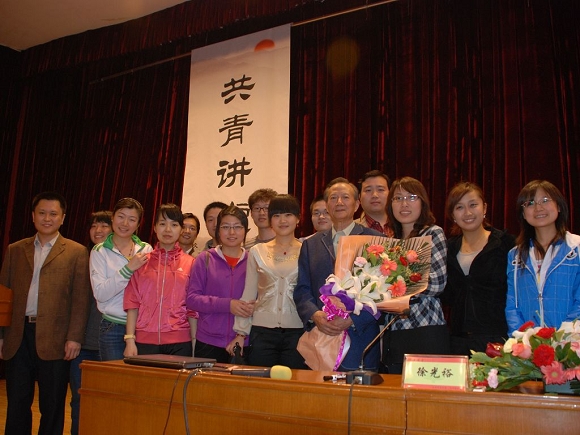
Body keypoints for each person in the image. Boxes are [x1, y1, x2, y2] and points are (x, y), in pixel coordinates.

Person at [0, 191, 91, 435]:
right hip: (18, 336)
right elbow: (3, 296)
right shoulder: (15, 249)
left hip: (56, 338)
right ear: (33, 216)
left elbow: (80, 299)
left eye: (53, 214)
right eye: (42, 213)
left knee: (52, 404)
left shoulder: (76, 252)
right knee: (17, 401)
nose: (47, 218)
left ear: (63, 218)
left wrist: (74, 337)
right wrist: (1, 335)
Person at [293, 177, 384, 371]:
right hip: (321, 339)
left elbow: (385, 292)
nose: (339, 202)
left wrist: (354, 319)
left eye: (345, 197)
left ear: (357, 204)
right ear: (327, 205)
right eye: (333, 198)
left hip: (361, 341)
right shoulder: (311, 244)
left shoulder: (375, 240)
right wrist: (315, 315)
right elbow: (302, 290)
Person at [228, 194, 306, 368]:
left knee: (294, 382)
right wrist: (241, 332)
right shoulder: (257, 251)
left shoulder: (307, 250)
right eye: (276, 215)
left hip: (297, 332)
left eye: (288, 214)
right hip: (262, 332)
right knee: (261, 381)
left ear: (298, 218)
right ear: (270, 220)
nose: (282, 220)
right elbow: (249, 293)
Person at [382, 176, 449, 374]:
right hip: (394, 329)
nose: (404, 204)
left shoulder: (432, 233)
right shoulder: (388, 242)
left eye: (411, 197)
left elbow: (436, 283)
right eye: (398, 198)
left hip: (425, 327)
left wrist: (394, 284)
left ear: (422, 202)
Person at [442, 182, 515, 356]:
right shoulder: (447, 249)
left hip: (498, 341)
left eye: (473, 205)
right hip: (458, 342)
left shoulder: (506, 244)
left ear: (485, 208)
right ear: (452, 215)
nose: (467, 212)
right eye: (459, 207)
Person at [506, 180, 580, 332]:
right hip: (529, 342)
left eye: (545, 200)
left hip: (571, 340)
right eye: (530, 203)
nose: (538, 208)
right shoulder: (515, 255)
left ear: (558, 206)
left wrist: (563, 337)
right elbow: (513, 304)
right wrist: (522, 338)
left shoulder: (576, 247)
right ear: (523, 214)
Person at [123, 204, 196, 357]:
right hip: (145, 341)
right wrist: (130, 340)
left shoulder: (191, 263)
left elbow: (193, 309)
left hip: (180, 341)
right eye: (162, 224)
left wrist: (195, 342)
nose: (168, 230)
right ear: (155, 228)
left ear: (181, 229)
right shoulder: (141, 262)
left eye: (174, 225)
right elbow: (132, 302)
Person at [186, 205, 254, 362]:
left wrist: (242, 334)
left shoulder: (254, 261)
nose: (231, 232)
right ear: (218, 230)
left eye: (237, 227)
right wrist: (228, 305)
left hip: (243, 342)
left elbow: (261, 301)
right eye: (226, 227)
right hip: (208, 342)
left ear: (245, 231)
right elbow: (192, 299)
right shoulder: (205, 259)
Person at [90, 197, 153, 361]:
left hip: (142, 326)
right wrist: (128, 269)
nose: (125, 223)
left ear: (138, 224)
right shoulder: (99, 251)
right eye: (121, 217)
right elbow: (101, 294)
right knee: (114, 375)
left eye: (132, 219)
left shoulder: (146, 249)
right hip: (112, 326)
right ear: (112, 218)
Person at [69, 210, 112, 435]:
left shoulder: (124, 261)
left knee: (108, 404)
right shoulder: (80, 259)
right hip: (82, 345)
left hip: (111, 345)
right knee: (79, 400)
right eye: (94, 226)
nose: (98, 230)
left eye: (104, 225)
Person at [357, 169, 393, 236]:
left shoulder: (405, 227)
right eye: (368, 190)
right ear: (359, 197)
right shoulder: (350, 232)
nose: (375, 195)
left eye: (380, 189)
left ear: (390, 194)